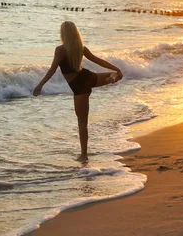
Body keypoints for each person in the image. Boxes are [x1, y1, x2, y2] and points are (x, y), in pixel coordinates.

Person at [33, 21, 123, 161]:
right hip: (88, 77)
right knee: (113, 75)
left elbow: (52, 70)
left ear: (64, 33)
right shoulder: (80, 48)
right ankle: (112, 76)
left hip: (79, 86)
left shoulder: (60, 50)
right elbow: (98, 61)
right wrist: (116, 68)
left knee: (82, 123)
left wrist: (40, 85)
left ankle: (84, 155)